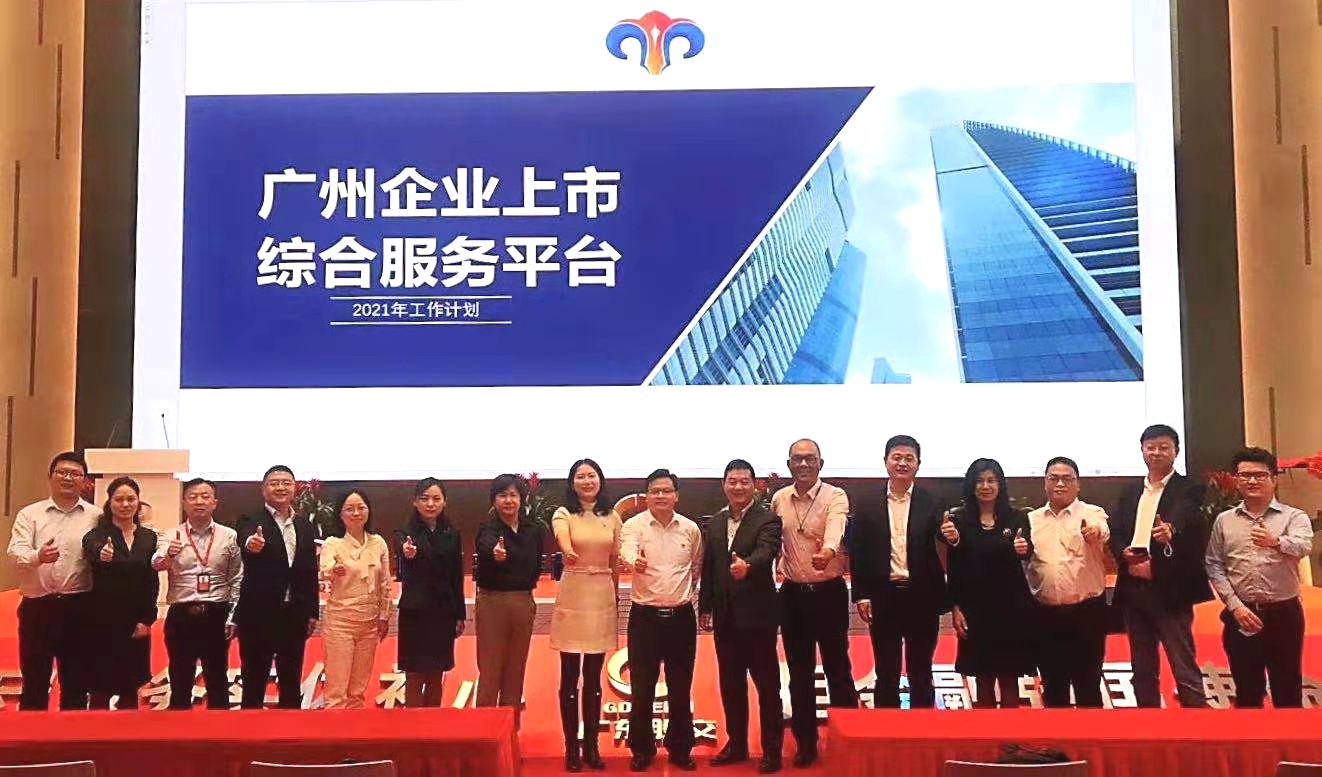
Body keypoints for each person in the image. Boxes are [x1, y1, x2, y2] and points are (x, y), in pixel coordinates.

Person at [850, 435, 958, 710]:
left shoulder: (932, 501)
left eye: (909, 458)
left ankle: (922, 729)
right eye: (896, 457)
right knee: (886, 671)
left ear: (918, 464)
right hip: (882, 596)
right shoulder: (866, 502)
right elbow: (859, 550)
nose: (902, 463)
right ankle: (886, 728)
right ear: (885, 461)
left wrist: (952, 536)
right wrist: (861, 594)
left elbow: (944, 538)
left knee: (920, 670)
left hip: (922, 597)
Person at [1108, 424, 1212, 708]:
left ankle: (1196, 721)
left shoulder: (1190, 488)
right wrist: (1123, 552)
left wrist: (1170, 531)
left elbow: (1186, 519)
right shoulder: (1130, 491)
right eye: (1150, 447)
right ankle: (1148, 720)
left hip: (1170, 588)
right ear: (1142, 450)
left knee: (1183, 663)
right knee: (1142, 666)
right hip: (1134, 588)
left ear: (1176, 451)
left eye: (1163, 447)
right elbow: (1115, 530)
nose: (1156, 452)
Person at [1204, 446, 1314, 708]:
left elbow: (1304, 546)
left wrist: (1276, 542)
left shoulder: (1293, 517)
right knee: (1247, 691)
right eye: (1245, 475)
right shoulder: (1224, 520)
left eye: (1260, 475)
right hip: (1241, 614)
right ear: (1236, 480)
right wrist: (1235, 606)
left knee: (1287, 689)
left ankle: (1288, 736)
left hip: (1283, 614)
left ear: (1273, 479)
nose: (1252, 481)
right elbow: (1214, 564)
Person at [772, 439, 854, 769]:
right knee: (799, 672)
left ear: (821, 463)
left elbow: (836, 526)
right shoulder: (779, 499)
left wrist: (829, 551)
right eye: (797, 459)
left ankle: (848, 740)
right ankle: (806, 744)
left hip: (829, 593)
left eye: (810, 459)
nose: (804, 464)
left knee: (838, 669)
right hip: (793, 595)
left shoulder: (835, 496)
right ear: (789, 464)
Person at [699, 460, 783, 774]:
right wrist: (705, 606)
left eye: (744, 481)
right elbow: (710, 566)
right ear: (724, 484)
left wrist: (747, 565)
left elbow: (767, 551)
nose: (738, 487)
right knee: (731, 685)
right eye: (732, 481)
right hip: (725, 619)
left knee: (767, 688)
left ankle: (771, 751)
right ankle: (737, 744)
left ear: (754, 485)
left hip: (758, 618)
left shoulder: (768, 519)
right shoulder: (716, 521)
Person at [619, 468, 702, 773]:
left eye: (667, 491)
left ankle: (680, 749)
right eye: (655, 491)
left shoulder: (690, 529)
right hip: (645, 619)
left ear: (676, 496)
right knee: (642, 688)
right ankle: (642, 749)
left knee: (681, 687)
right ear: (646, 496)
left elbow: (696, 566)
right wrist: (634, 561)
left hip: (681, 619)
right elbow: (626, 550)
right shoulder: (634, 526)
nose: (661, 496)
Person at [7, 451, 97, 710]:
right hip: (38, 607)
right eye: (62, 472)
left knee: (76, 682)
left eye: (75, 474)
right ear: (50, 477)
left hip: (79, 607)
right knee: (34, 680)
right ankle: (33, 735)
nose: (68, 478)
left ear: (85, 481)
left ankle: (74, 734)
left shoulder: (96, 516)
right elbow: (15, 553)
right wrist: (38, 556)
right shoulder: (30, 514)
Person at [549, 459, 621, 772]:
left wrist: (615, 594)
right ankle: (571, 748)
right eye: (581, 476)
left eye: (592, 475)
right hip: (574, 591)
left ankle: (591, 747)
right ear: (572, 482)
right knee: (569, 675)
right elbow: (562, 537)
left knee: (593, 676)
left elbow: (615, 559)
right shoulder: (563, 513)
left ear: (600, 480)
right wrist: (568, 551)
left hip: (602, 592)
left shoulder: (612, 516)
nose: (587, 481)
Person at [946, 458, 1035, 708]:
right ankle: (985, 732)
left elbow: (1028, 552)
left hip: (1011, 610)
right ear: (971, 485)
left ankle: (1010, 734)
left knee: (1009, 678)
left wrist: (1024, 549)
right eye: (979, 481)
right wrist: (955, 607)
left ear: (1000, 484)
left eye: (991, 480)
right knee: (982, 679)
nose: (985, 486)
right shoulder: (958, 519)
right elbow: (954, 567)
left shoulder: (1017, 517)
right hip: (975, 610)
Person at [1025, 456, 1111, 708]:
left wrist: (1094, 532)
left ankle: (1090, 735)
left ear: (1078, 483)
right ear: (1045, 483)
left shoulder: (1092, 513)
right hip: (1045, 614)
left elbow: (1102, 529)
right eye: (1054, 478)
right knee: (1053, 686)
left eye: (1067, 479)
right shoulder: (1032, 520)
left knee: (1088, 685)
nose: (1060, 484)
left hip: (1086, 613)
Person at [152, 477, 243, 709]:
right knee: (180, 678)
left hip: (217, 613)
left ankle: (219, 729)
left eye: (205, 496)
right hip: (181, 614)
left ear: (215, 502)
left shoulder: (229, 536)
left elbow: (236, 577)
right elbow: (156, 564)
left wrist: (233, 616)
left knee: (217, 678)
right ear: (184, 503)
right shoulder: (170, 535)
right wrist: (169, 554)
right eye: (193, 497)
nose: (199, 501)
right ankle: (179, 728)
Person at [235, 465, 320, 709]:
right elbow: (246, 539)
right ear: (263, 490)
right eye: (274, 483)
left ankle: (289, 731)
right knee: (254, 680)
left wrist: (312, 611)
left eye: (286, 482)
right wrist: (252, 544)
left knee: (291, 681)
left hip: (294, 614)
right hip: (258, 614)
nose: (280, 487)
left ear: (294, 489)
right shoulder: (250, 520)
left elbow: (309, 571)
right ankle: (249, 730)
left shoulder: (304, 525)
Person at [474, 474, 546, 727]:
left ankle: (510, 733)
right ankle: (484, 732)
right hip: (493, 603)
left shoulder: (533, 530)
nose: (508, 500)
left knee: (516, 671)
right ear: (493, 500)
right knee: (491, 670)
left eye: (513, 495)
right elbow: (487, 547)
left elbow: (536, 565)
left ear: (522, 499)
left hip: (523, 602)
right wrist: (495, 553)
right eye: (502, 495)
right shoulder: (487, 530)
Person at [82, 477, 159, 709]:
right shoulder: (97, 535)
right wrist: (101, 553)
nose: (125, 504)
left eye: (130, 499)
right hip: (101, 623)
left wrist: (147, 620)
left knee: (130, 688)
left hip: (136, 623)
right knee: (99, 688)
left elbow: (151, 581)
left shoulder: (148, 537)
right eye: (119, 499)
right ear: (110, 503)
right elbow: (91, 547)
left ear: (138, 502)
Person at [395, 477, 465, 708]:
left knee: (436, 674)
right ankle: (412, 726)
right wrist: (406, 552)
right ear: (415, 502)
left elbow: (456, 576)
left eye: (436, 498)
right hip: (415, 613)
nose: (430, 504)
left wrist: (460, 614)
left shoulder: (452, 533)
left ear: (445, 502)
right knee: (414, 675)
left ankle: (434, 725)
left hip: (443, 613)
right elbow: (402, 551)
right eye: (424, 499)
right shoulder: (405, 533)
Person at [319, 489, 392, 709]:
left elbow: (385, 582)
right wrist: (334, 570)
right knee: (336, 692)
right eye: (349, 509)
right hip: (340, 623)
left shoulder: (378, 542)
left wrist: (385, 615)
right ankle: (335, 730)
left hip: (369, 623)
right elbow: (325, 569)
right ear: (340, 514)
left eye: (361, 508)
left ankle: (353, 730)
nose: (356, 513)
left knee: (357, 692)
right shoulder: (333, 543)